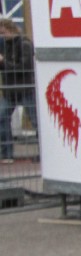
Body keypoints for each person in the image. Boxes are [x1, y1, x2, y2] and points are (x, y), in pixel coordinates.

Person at [0, 18, 38, 164]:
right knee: (2, 117)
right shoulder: (4, 45)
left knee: (35, 120)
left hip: (25, 89)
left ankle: (44, 152)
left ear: (11, 30)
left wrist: (4, 62)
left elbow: (24, 67)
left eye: (3, 33)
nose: (2, 36)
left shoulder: (24, 44)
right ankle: (7, 153)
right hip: (10, 91)